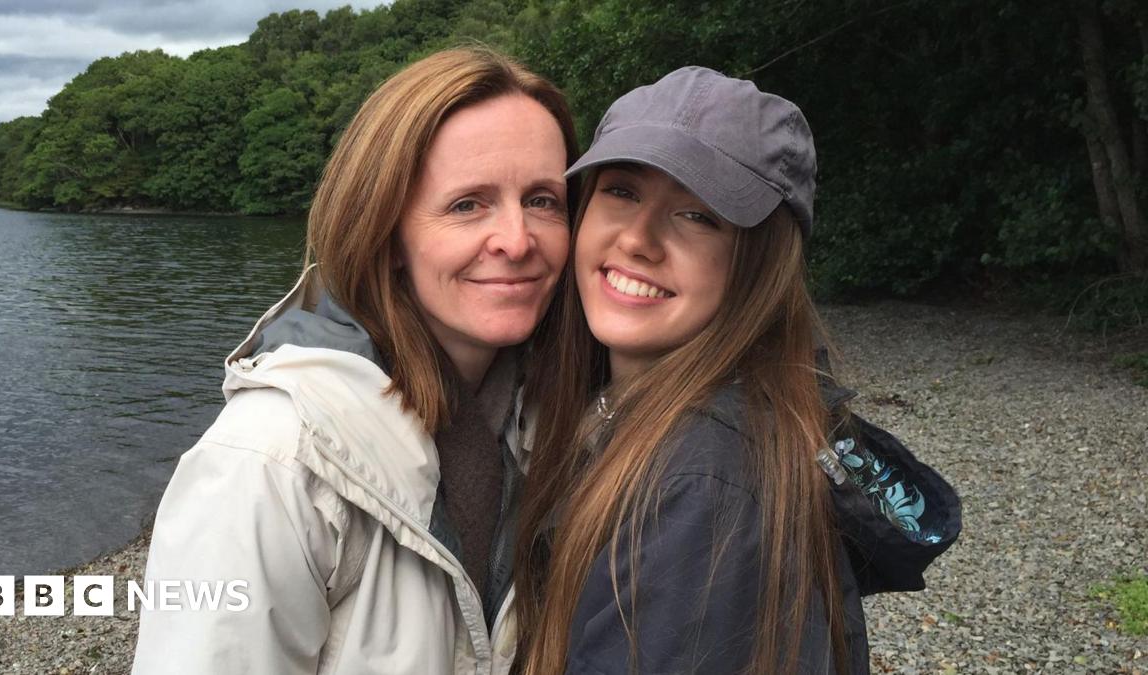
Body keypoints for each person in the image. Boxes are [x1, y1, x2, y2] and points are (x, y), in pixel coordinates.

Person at [131, 47, 578, 675]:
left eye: (542, 200)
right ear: (386, 233)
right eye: (467, 204)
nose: (516, 239)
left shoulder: (557, 415)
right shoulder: (270, 464)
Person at [514, 67, 960, 674]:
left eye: (699, 215)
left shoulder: (703, 485)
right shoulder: (606, 402)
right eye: (622, 190)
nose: (639, 239)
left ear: (761, 263)